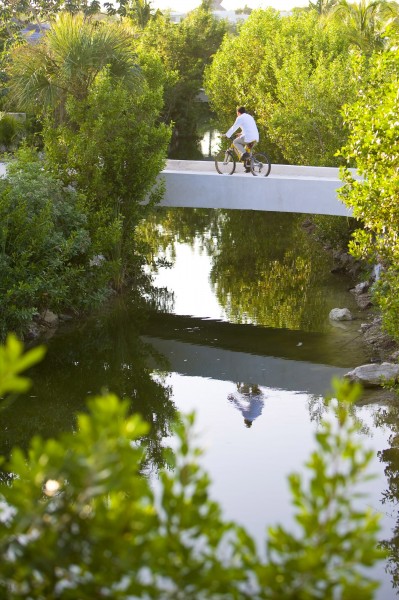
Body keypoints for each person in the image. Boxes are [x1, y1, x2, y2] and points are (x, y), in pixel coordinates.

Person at [224, 106, 259, 172]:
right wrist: (241, 134)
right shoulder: (249, 117)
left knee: (235, 142)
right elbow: (248, 128)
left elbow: (234, 127)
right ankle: (249, 167)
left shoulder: (240, 117)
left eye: (237, 113)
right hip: (255, 137)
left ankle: (244, 154)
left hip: (249, 137)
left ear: (238, 112)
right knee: (247, 150)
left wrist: (227, 135)